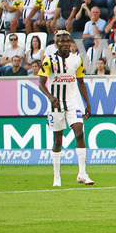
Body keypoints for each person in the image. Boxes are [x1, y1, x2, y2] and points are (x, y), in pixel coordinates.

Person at [37, 30, 92, 188]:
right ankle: (57, 176)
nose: (66, 44)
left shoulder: (76, 60)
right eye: (62, 41)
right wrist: (51, 97)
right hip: (56, 105)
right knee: (57, 140)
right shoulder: (50, 60)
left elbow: (81, 82)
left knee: (80, 133)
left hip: (73, 102)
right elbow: (41, 83)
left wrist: (87, 103)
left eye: (68, 41)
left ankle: (82, 173)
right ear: (56, 43)